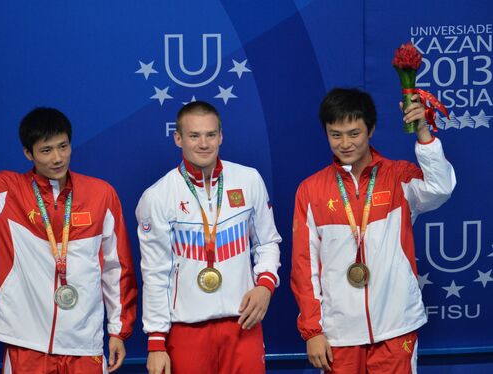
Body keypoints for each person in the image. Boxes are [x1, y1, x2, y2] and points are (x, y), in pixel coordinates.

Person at [0, 89, 137, 373]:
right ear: (28, 153)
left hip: (84, 345)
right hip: (26, 344)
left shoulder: (101, 194)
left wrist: (118, 330)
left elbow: (116, 268)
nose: (58, 158)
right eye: (46, 150)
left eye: (63, 146)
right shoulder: (6, 193)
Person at [291, 88, 456, 373]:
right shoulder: (311, 190)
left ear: (371, 130)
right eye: (336, 134)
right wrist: (312, 331)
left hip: (396, 327)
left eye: (354, 133)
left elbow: (441, 188)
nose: (345, 143)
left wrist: (423, 133)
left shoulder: (398, 177)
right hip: (338, 334)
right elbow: (304, 268)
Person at [136, 101, 281, 374]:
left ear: (221, 136)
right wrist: (156, 343)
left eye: (210, 135)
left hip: (243, 325)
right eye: (194, 136)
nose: (204, 143)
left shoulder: (249, 180)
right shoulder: (157, 197)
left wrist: (265, 285)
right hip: (186, 331)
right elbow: (154, 273)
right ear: (178, 138)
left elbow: (267, 242)